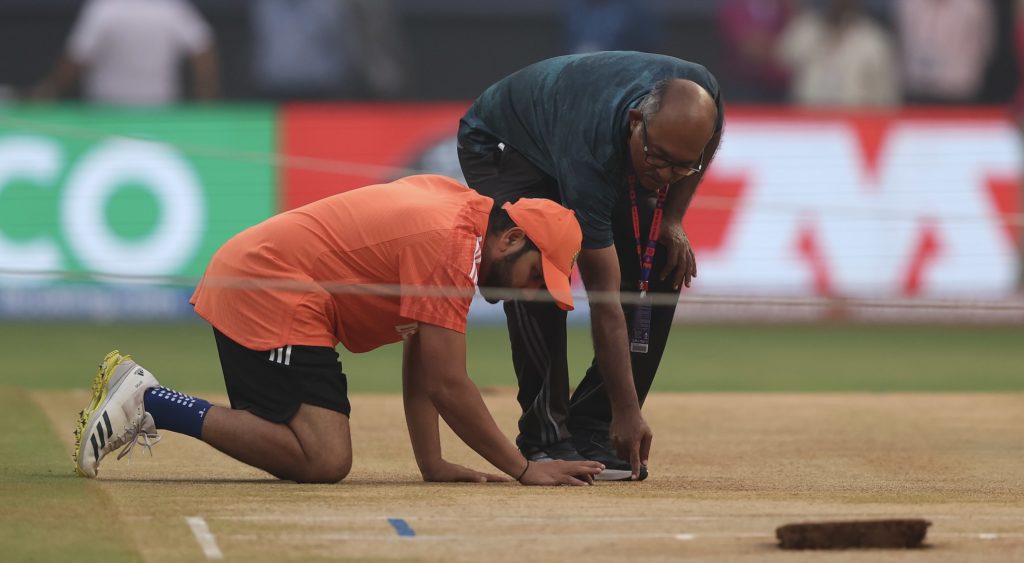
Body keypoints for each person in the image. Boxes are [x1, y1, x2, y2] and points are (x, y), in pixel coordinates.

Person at [72, 175, 603, 486]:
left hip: (266, 285)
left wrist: (431, 461)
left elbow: (423, 354)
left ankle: (150, 400)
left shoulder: (463, 222)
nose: (532, 293)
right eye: (537, 277)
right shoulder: (453, 244)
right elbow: (447, 382)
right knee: (324, 458)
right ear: (511, 241)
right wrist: (523, 469)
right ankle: (151, 401)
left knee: (308, 449)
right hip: (268, 288)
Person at [457, 51, 725, 481]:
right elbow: (605, 302)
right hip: (505, 142)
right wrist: (629, 409)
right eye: (657, 159)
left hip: (581, 131)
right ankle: (544, 437)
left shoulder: (703, 96)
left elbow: (699, 150)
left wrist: (672, 218)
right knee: (532, 263)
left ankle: (592, 426)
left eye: (681, 164)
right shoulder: (593, 154)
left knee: (662, 260)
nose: (665, 174)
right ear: (636, 122)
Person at [31, 0, 219, 105]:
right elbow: (203, 49)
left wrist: (51, 90)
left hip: (155, 112)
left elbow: (75, 60)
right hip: (112, 111)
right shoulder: (170, 7)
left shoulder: (104, 9)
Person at [776, 0, 900, 107]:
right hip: (808, 122)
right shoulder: (807, 28)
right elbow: (780, 59)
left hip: (856, 123)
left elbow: (886, 97)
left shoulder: (873, 39)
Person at [894, 0, 995, 105]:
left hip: (959, 91)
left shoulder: (974, 7)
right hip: (916, 89)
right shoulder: (907, 5)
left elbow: (985, 46)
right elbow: (899, 42)